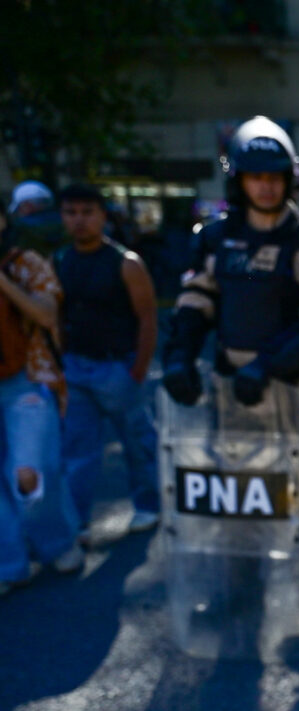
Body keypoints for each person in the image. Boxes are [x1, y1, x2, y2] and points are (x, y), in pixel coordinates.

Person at [160, 115, 299, 635]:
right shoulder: (216, 239)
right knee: (238, 498)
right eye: (255, 176)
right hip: (235, 396)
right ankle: (240, 592)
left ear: (290, 178)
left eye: (274, 176)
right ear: (238, 181)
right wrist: (177, 357)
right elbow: (195, 303)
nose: (266, 185)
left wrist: (271, 366)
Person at [54, 184, 160, 543]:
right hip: (75, 368)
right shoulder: (60, 261)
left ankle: (149, 505)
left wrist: (138, 369)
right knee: (77, 453)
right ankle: (77, 521)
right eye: (71, 212)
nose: (79, 220)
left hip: (119, 367)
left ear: (102, 216)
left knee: (138, 443)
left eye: (87, 212)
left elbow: (147, 317)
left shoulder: (125, 263)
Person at [0, 201, 83, 595]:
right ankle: (8, 564)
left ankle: (59, 543)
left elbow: (47, 315)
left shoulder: (25, 263)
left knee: (29, 474)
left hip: (26, 382)